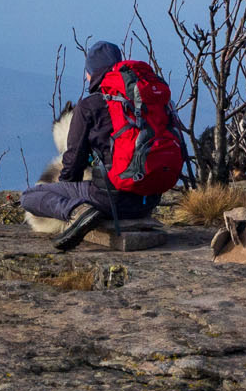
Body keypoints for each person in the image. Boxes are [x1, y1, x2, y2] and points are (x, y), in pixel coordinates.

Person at [20, 41, 167, 250]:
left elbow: (72, 163)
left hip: (109, 200)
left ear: (91, 73)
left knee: (29, 196)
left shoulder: (90, 105)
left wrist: (65, 189)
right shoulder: (148, 100)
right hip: (147, 201)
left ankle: (77, 212)